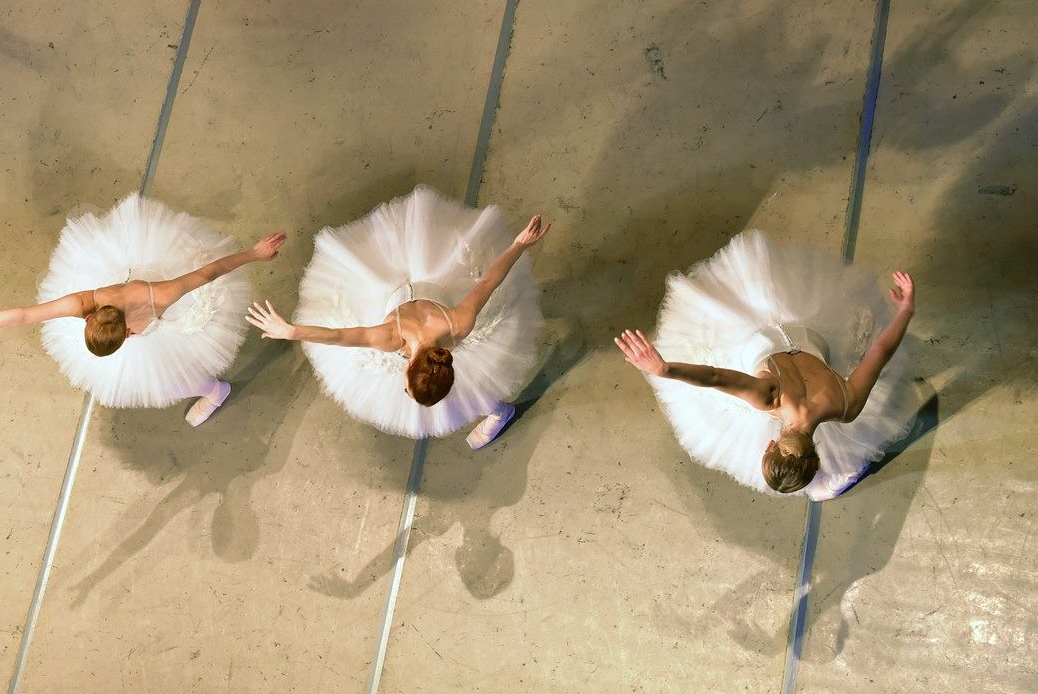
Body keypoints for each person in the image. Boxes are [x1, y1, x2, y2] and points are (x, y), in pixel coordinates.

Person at [0, 195, 281, 426]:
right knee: (158, 379)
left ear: (128, 333)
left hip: (157, 321)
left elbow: (207, 273)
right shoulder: (80, 303)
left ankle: (215, 391)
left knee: (171, 378)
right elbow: (23, 314)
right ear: (90, 318)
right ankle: (210, 390)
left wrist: (255, 253)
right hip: (132, 310)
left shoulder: (160, 295)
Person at [616, 232, 919, 501]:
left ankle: (824, 479)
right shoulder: (768, 397)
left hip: (806, 331)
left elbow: (881, 349)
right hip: (759, 336)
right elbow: (714, 376)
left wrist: (905, 309)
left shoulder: (847, 405)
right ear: (770, 445)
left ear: (815, 457)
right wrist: (665, 370)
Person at [246, 187, 546, 448]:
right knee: (471, 386)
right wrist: (291, 332)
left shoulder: (398, 337)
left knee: (470, 388)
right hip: (409, 288)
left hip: (411, 299)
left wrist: (520, 244)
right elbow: (487, 283)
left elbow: (488, 282)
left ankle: (500, 411)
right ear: (411, 367)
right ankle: (498, 410)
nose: (404, 387)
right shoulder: (450, 325)